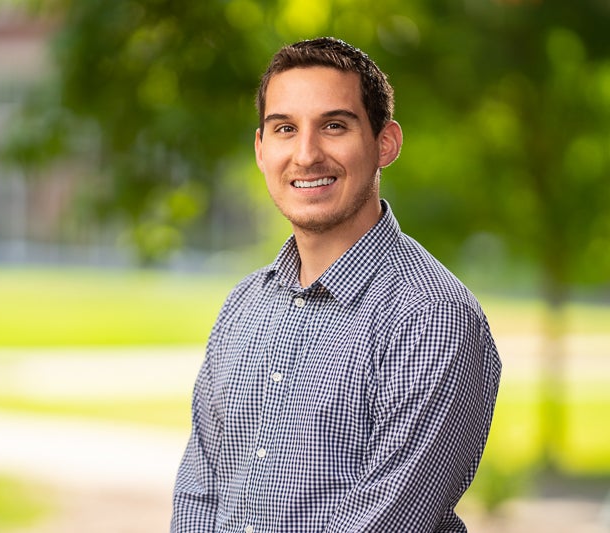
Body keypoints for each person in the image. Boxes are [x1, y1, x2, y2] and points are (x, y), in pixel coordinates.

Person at [171, 37, 502, 532]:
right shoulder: (244, 304)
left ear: (384, 143)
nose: (306, 154)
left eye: (333, 126)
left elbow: (388, 520)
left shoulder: (431, 317)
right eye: (285, 128)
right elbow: (199, 490)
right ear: (262, 150)